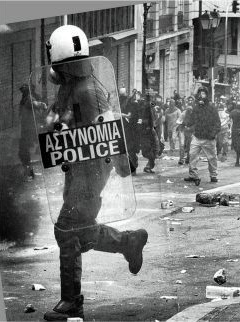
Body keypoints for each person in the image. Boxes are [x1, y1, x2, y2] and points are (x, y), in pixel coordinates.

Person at [41, 25, 148, 321]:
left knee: (66, 229)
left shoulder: (88, 91)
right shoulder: (71, 87)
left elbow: (104, 132)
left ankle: (71, 302)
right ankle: (129, 242)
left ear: (62, 61)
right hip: (77, 169)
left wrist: (121, 162)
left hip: (90, 173)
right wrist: (56, 126)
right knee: (82, 232)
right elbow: (61, 121)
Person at [183, 86, 221, 185]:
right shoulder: (195, 108)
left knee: (211, 157)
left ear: (207, 95)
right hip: (197, 136)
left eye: (203, 94)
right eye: (200, 94)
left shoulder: (212, 108)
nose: (201, 96)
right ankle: (193, 175)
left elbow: (217, 123)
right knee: (192, 155)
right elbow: (191, 121)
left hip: (208, 137)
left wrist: (212, 134)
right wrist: (184, 123)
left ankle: (213, 175)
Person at [18, 83, 47, 180]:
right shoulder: (27, 98)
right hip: (28, 128)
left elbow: (37, 104)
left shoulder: (28, 98)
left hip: (29, 129)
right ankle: (29, 172)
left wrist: (41, 105)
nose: (23, 92)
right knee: (25, 151)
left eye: (24, 90)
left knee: (24, 152)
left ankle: (29, 173)